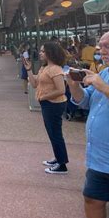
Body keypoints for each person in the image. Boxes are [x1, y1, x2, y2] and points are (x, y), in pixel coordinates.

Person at [66, 30, 109, 218]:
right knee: (92, 200)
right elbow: (85, 101)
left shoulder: (102, 79)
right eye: (101, 47)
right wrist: (74, 85)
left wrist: (102, 85)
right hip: (99, 159)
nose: (102, 51)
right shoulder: (104, 73)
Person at [23, 42, 69, 174]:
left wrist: (44, 97)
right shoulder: (44, 68)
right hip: (48, 103)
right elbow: (34, 84)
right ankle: (59, 158)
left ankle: (62, 164)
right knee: (53, 133)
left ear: (50, 53)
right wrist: (29, 70)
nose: (40, 53)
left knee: (55, 134)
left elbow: (61, 90)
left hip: (54, 104)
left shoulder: (55, 69)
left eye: (43, 51)